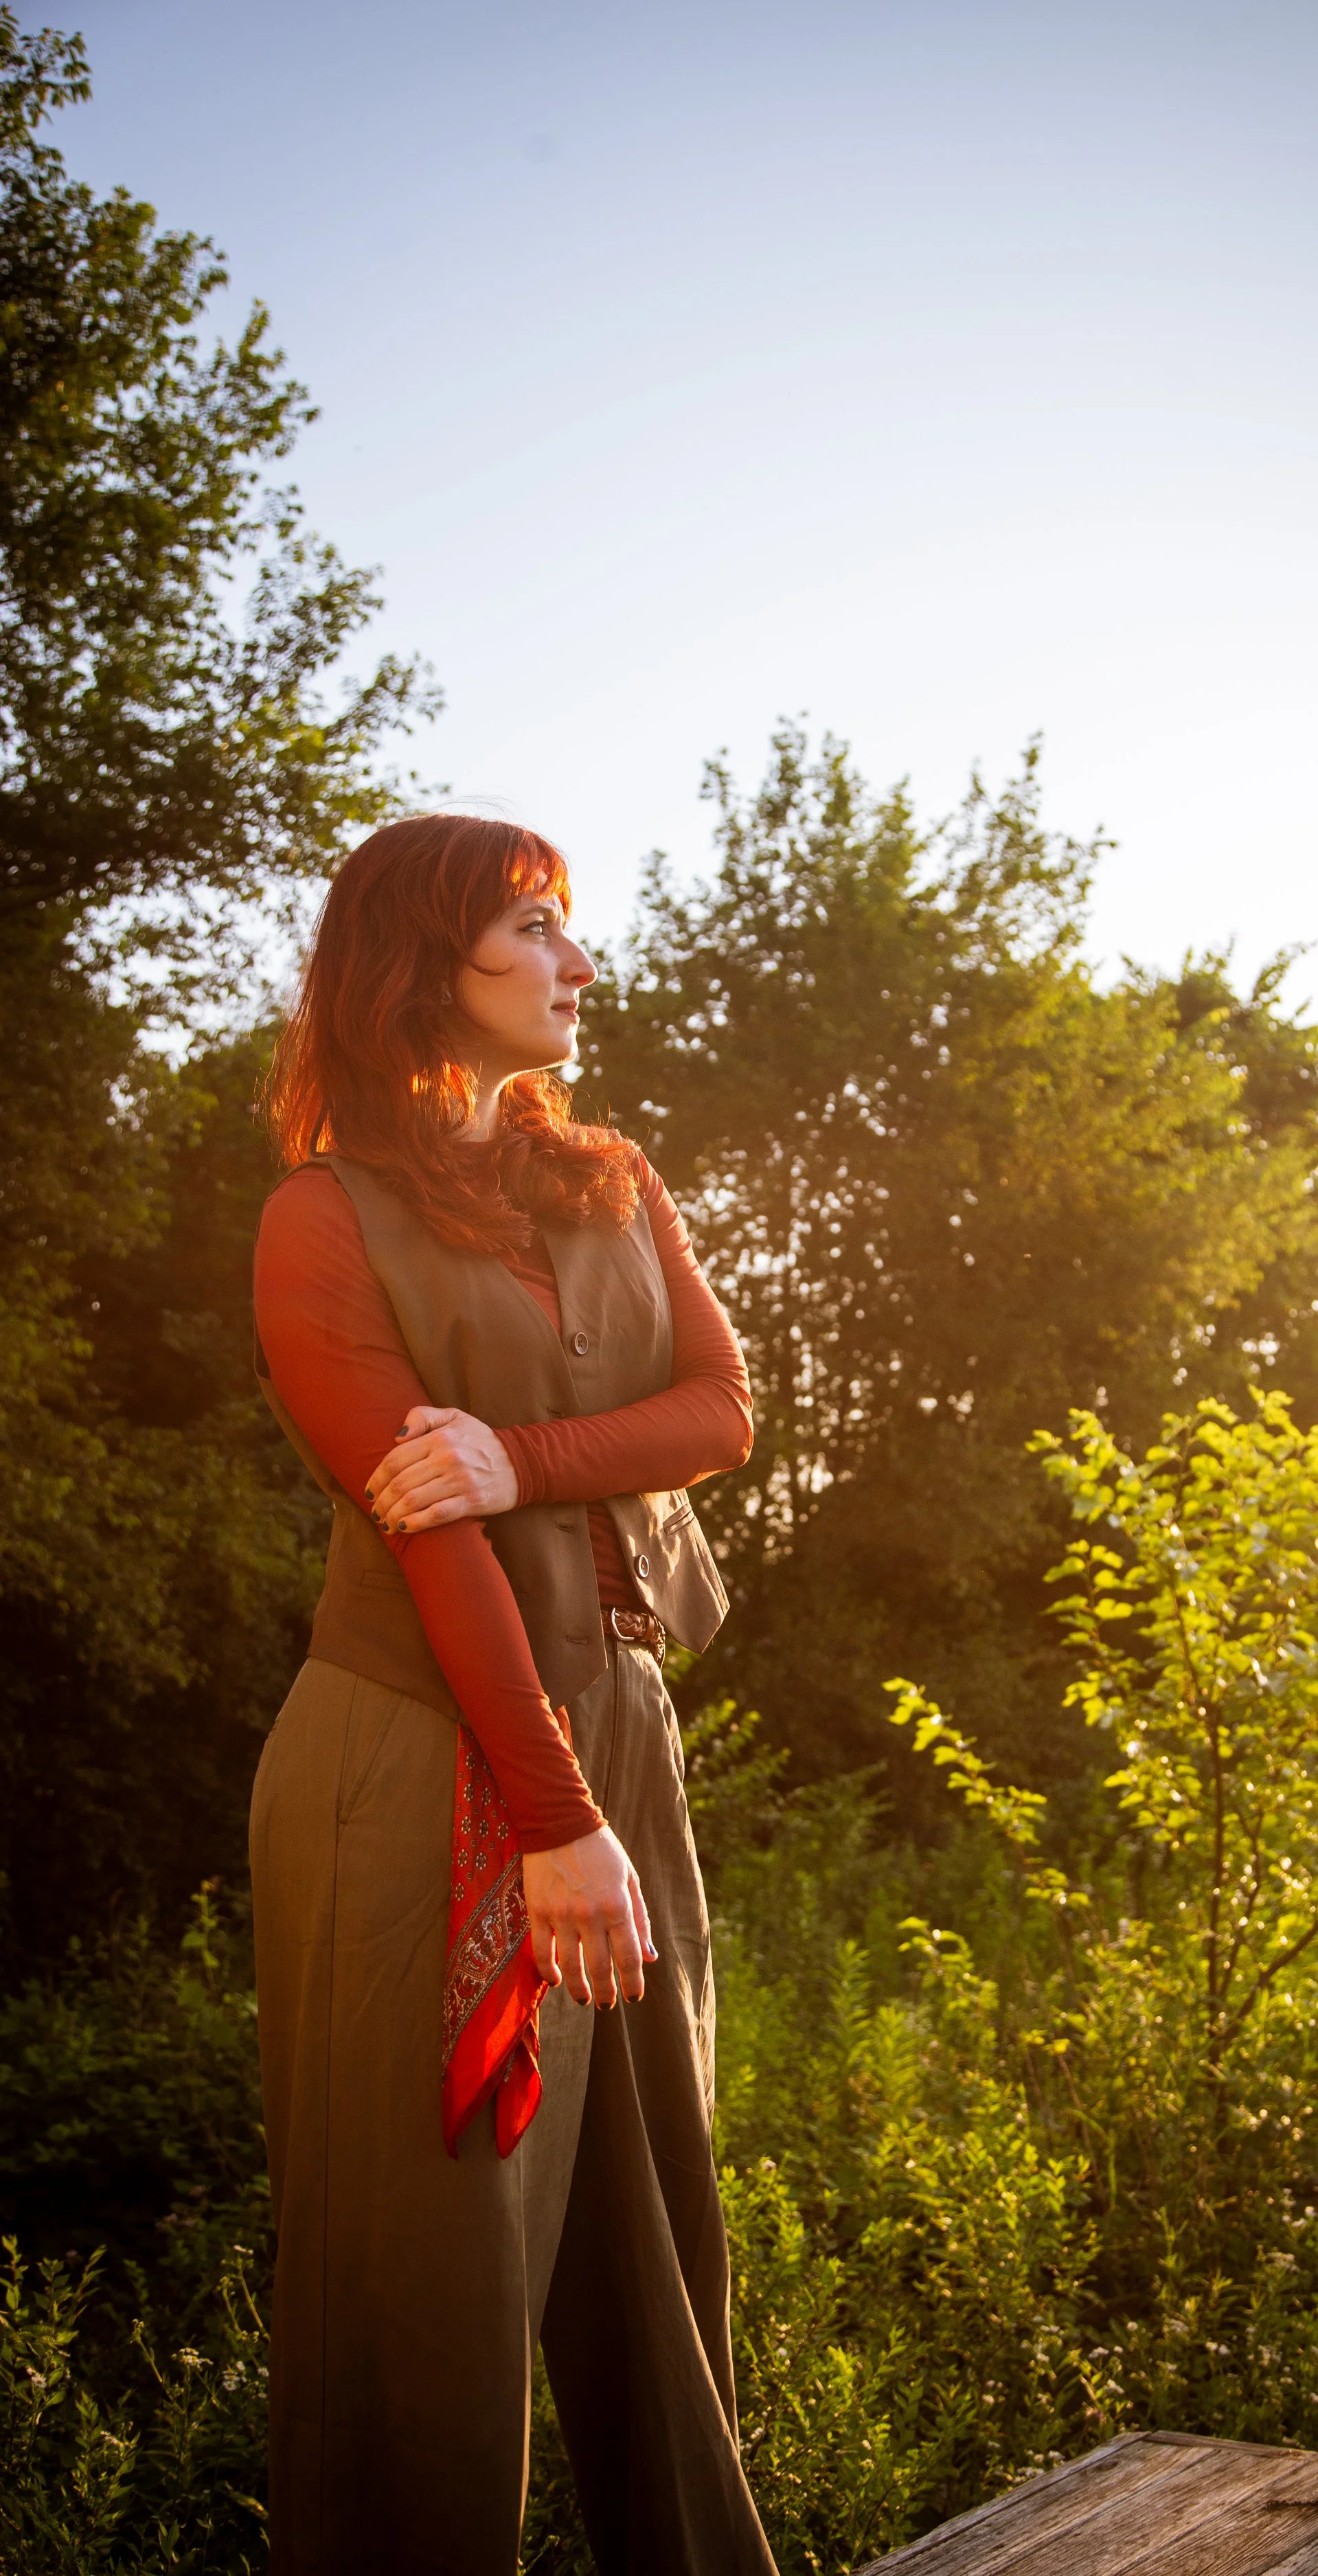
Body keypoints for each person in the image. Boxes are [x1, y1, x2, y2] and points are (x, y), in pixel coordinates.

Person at [249, 813, 777, 2576]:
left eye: (568, 930)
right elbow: (429, 1546)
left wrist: (515, 1454)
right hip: (418, 1754)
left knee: (657, 2238)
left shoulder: (613, 1180)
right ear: (422, 970)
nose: (577, 963)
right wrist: (556, 1826)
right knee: (426, 2280)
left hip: (625, 1720)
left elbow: (719, 1413)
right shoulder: (322, 1223)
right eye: (533, 932)